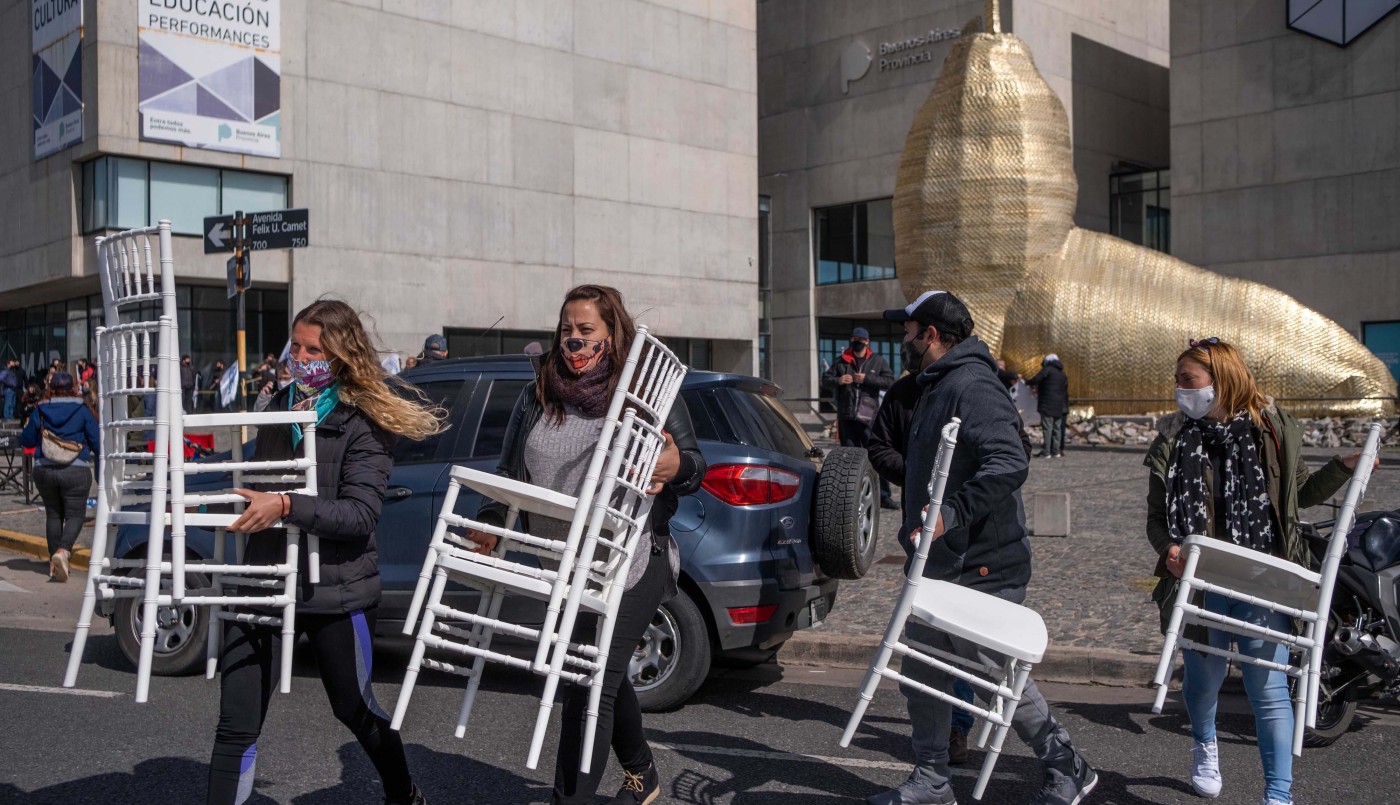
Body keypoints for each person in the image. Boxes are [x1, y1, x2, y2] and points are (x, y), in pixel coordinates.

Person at [466, 284, 705, 805]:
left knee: (587, 682)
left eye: (587, 331)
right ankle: (643, 775)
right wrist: (489, 518)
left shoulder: (648, 392)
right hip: (566, 562)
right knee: (600, 675)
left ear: (612, 333)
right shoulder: (539, 391)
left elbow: (693, 467)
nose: (574, 342)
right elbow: (509, 472)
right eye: (567, 331)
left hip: (634, 559)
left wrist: (675, 466)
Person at [206, 299, 444, 805]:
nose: (301, 356)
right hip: (265, 581)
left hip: (336, 588)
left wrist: (288, 505)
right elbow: (260, 482)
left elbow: (359, 515)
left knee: (353, 706)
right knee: (236, 722)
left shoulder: (364, 420)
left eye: (314, 349)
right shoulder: (274, 407)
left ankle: (403, 794)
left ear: (340, 356)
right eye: (296, 345)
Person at [869, 290, 1096, 805]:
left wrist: (951, 512)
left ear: (931, 335)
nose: (902, 341)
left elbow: (1009, 460)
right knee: (922, 671)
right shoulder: (936, 384)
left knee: (995, 674)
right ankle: (932, 780)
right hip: (939, 566)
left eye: (908, 331)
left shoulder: (971, 385)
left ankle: (1067, 764)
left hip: (983, 565)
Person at [1144, 337, 1363, 805]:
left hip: (1262, 577)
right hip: (1203, 581)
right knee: (1203, 684)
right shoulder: (1173, 436)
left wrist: (1343, 468)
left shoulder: (1273, 429)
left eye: (1189, 379)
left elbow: (1298, 495)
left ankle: (1278, 795)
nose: (1180, 389)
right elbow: (1156, 518)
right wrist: (1169, 549)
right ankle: (1205, 744)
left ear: (1221, 379)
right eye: (1178, 380)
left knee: (1269, 690)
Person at [19, 372, 100, 582]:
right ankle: (63, 552)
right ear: (73, 388)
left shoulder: (41, 409)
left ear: (51, 388)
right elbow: (98, 443)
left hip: (44, 469)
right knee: (75, 515)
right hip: (75, 469)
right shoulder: (82, 410)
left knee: (53, 514)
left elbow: (27, 440)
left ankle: (54, 564)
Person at [821, 326, 896, 508]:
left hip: (869, 417)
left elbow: (890, 381)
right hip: (847, 416)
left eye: (860, 340)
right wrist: (838, 381)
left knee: (876, 454)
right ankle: (850, 495)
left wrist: (867, 379)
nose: (856, 342)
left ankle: (884, 496)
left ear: (866, 342)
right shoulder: (841, 361)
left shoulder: (877, 361)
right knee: (848, 457)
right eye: (853, 339)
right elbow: (825, 379)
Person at [1026, 353, 1069, 458]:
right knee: (1057, 428)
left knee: (1047, 428)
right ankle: (1056, 451)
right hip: (1059, 405)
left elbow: (1036, 380)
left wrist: (1027, 382)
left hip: (1047, 404)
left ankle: (1046, 451)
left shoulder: (1047, 370)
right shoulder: (1062, 374)